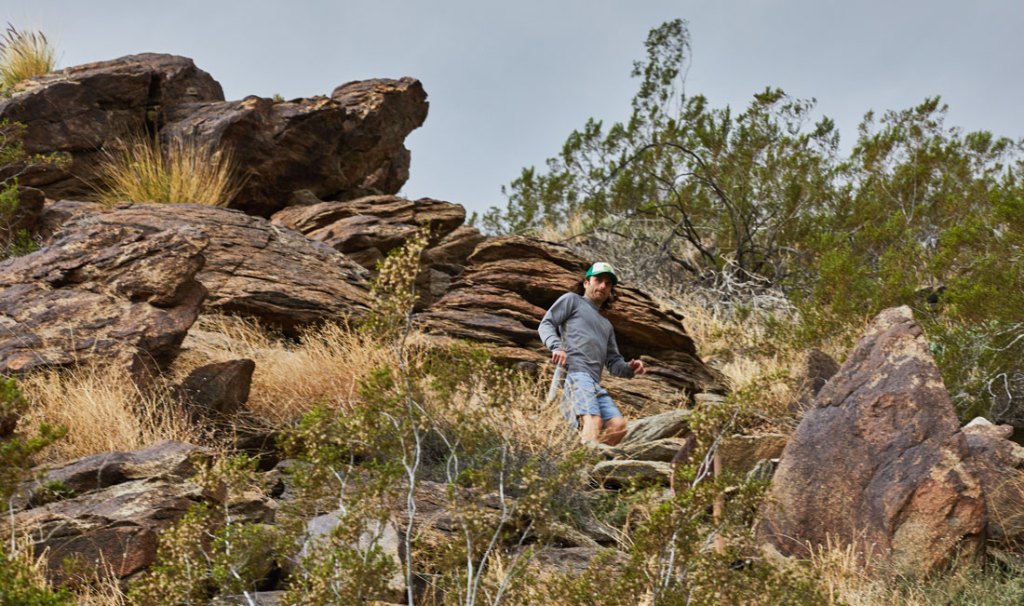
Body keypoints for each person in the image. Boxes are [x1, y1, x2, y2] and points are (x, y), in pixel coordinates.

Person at [538, 262, 646, 445]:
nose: (603, 286)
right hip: (574, 373)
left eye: (608, 284)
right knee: (593, 420)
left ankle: (590, 461)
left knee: (618, 426)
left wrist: (629, 368)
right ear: (586, 283)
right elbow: (546, 324)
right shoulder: (572, 300)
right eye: (598, 280)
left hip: (594, 383)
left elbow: (613, 363)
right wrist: (556, 346)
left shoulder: (607, 326)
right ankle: (583, 466)